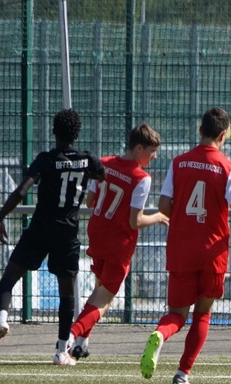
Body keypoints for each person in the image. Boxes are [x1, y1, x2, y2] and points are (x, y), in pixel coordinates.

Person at [0, 109, 105, 364]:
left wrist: (0, 217)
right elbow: (103, 174)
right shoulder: (87, 160)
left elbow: (21, 191)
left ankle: (2, 319)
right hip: (67, 233)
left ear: (53, 131)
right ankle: (61, 350)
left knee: (9, 278)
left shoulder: (45, 160)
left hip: (40, 229)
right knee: (67, 293)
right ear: (77, 133)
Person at [139, 107, 231, 384]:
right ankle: (181, 375)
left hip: (181, 250)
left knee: (176, 314)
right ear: (223, 135)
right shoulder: (229, 168)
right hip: (212, 252)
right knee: (202, 314)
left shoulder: (178, 163)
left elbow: (164, 207)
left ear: (200, 131)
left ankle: (160, 333)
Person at [67, 123, 170, 360]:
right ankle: (70, 337)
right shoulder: (141, 178)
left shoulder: (103, 163)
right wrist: (158, 217)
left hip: (97, 233)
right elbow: (136, 221)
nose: (154, 157)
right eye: (152, 151)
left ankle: (81, 343)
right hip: (118, 243)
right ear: (139, 148)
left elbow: (90, 202)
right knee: (104, 300)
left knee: (98, 290)